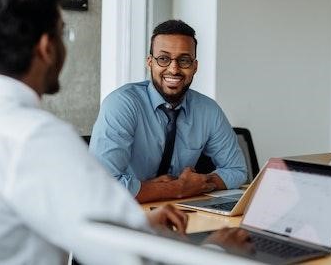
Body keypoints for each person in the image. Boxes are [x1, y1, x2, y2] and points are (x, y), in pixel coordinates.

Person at [0, 0, 190, 264]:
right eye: (63, 32)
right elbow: (132, 259)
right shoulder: (35, 137)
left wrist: (139, 228)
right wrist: (217, 249)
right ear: (47, 48)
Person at [89, 20, 247, 203]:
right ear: (150, 62)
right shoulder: (122, 104)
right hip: (129, 214)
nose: (174, 69)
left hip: (184, 213)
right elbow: (102, 187)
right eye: (163, 59)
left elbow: (237, 170)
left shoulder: (208, 110)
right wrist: (177, 188)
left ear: (195, 66)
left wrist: (197, 184)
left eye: (184, 60)